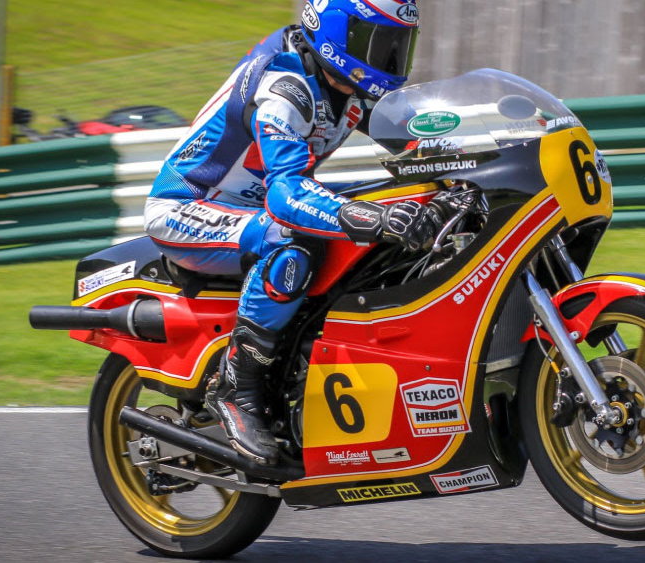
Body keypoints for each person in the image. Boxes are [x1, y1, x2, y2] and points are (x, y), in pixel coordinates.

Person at [143, 0, 435, 466]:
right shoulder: (287, 84)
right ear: (339, 34)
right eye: (380, 43)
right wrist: (369, 220)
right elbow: (284, 196)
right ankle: (237, 388)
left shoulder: (353, 88)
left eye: (400, 46)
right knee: (294, 241)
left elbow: (424, 139)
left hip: (254, 208)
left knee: (385, 202)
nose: (391, 60)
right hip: (189, 207)